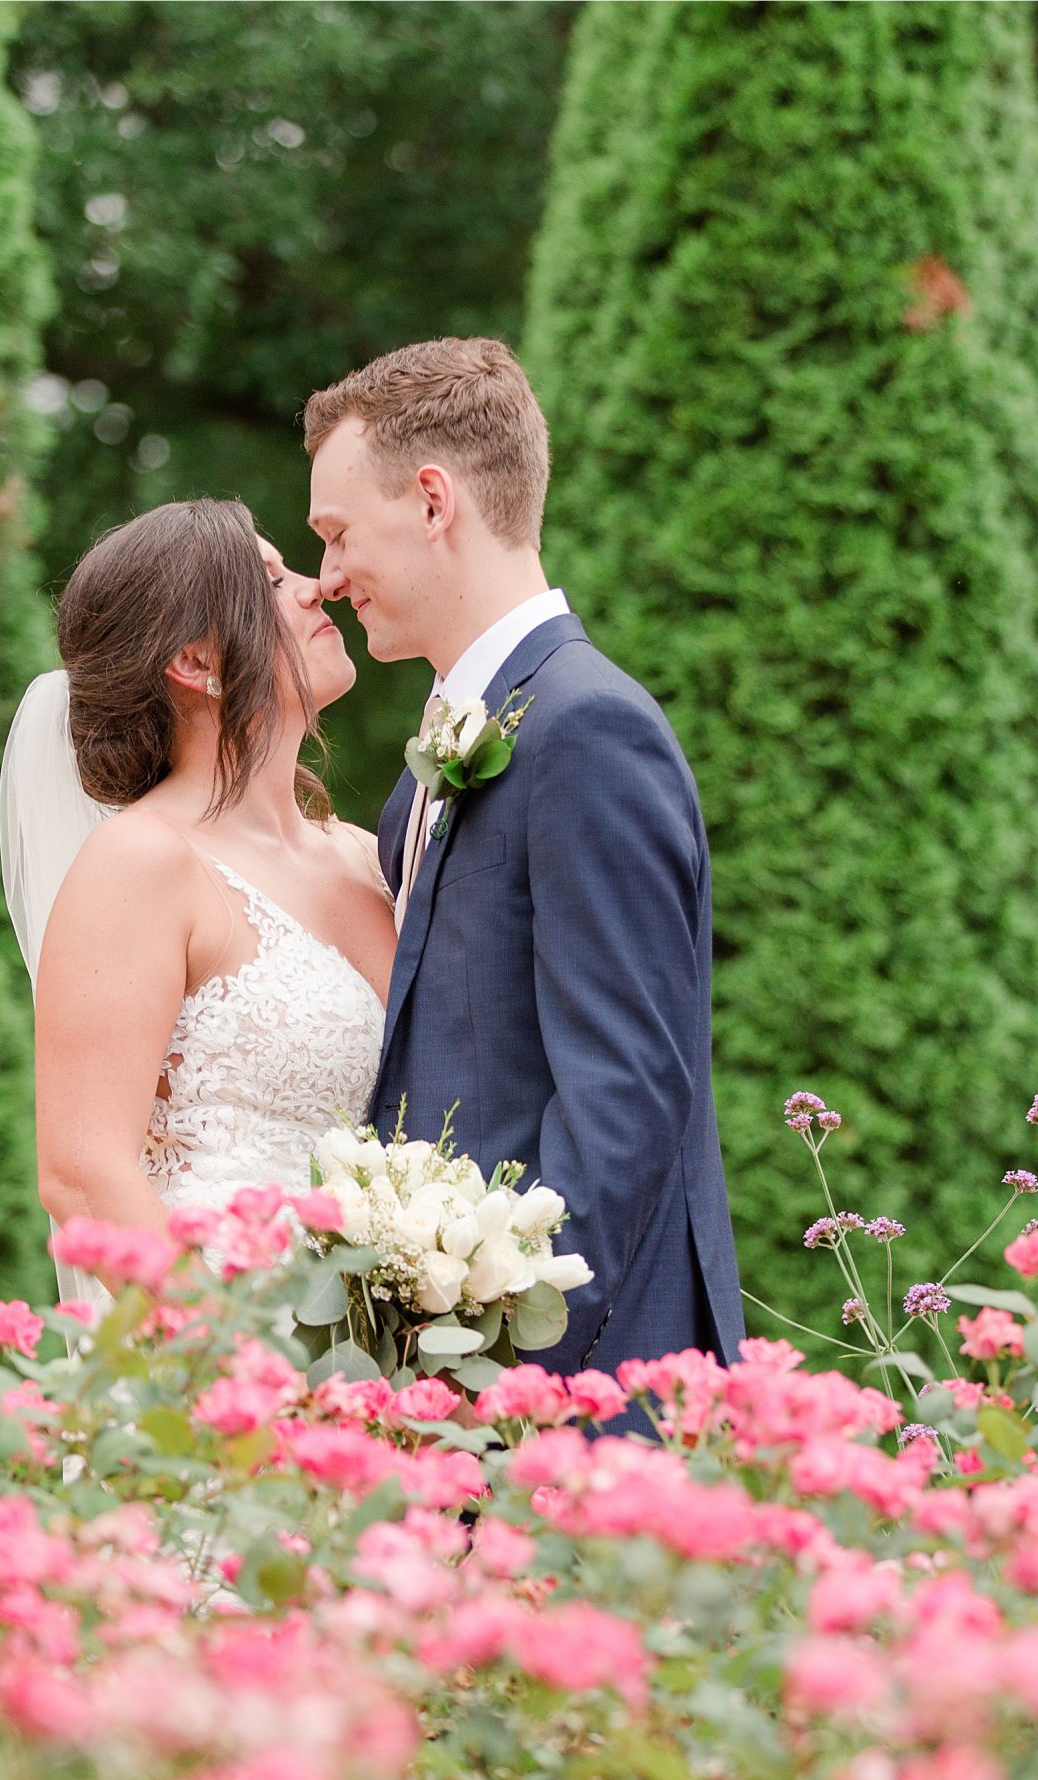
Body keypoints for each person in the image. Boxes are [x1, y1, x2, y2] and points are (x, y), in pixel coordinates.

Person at [304, 336, 744, 1404]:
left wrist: (505, 1369)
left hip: (577, 1383)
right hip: (461, 1394)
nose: (326, 575)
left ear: (432, 500)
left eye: (335, 532)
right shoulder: (431, 773)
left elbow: (624, 1095)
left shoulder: (587, 730)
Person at [0, 498, 393, 1305]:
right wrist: (239, 1366)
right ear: (195, 660)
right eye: (272, 581)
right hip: (229, 1357)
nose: (316, 588)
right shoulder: (142, 862)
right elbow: (82, 1175)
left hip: (385, 1355)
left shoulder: (366, 856)